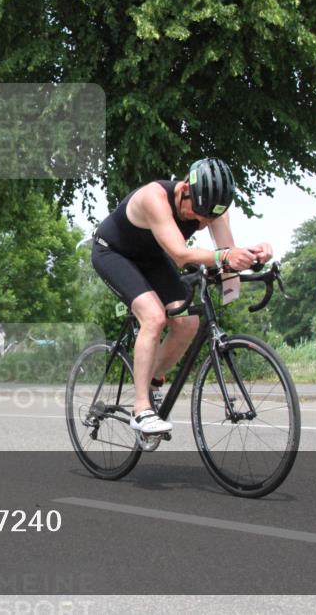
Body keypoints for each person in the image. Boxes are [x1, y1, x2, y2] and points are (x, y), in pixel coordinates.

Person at [91, 157, 272, 434]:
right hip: (113, 253)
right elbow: (180, 254)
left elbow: (227, 258)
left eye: (210, 217)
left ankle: (152, 382)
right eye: (199, 214)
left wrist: (254, 256)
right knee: (154, 317)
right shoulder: (154, 197)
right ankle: (141, 409)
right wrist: (225, 257)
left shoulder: (211, 208)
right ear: (185, 189)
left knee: (188, 323)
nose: (203, 221)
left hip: (151, 258)